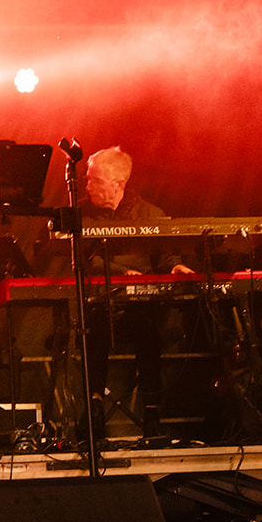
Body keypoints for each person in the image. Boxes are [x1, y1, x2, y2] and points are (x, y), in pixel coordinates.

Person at [70, 147, 194, 441]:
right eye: (87, 179)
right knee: (93, 329)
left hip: (142, 307)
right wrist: (121, 273)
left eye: (95, 180)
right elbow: (82, 260)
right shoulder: (79, 216)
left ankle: (152, 415)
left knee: (147, 330)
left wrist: (175, 266)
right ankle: (94, 410)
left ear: (118, 184)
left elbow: (165, 255)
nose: (87, 186)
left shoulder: (150, 214)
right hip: (100, 304)